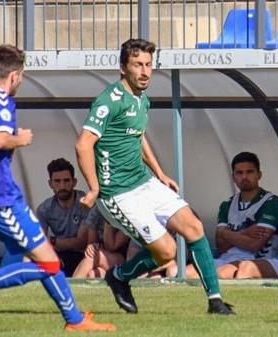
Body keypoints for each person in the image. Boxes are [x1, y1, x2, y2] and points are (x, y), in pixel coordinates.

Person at [0, 44, 114, 331]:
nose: (19, 83)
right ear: (14, 76)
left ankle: (74, 319)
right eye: (21, 78)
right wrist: (20, 139)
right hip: (0, 197)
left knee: (46, 258)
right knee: (49, 264)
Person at [75, 38, 234, 315]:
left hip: (144, 183)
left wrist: (159, 173)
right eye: (138, 64)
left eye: (149, 65)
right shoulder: (108, 101)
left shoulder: (142, 100)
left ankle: (215, 301)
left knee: (193, 226)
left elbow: (137, 136)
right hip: (118, 194)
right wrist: (93, 188)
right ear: (123, 68)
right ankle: (120, 276)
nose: (145, 71)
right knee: (167, 252)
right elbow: (83, 144)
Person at [185, 152, 278, 279]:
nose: (244, 177)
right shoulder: (227, 204)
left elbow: (254, 244)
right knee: (184, 272)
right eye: (239, 173)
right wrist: (246, 232)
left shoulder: (271, 202)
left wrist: (225, 233)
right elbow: (220, 246)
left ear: (259, 174)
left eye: (249, 172)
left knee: (221, 273)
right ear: (233, 176)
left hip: (257, 260)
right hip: (226, 258)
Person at [36, 158, 90, 276]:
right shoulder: (44, 209)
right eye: (57, 181)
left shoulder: (86, 203)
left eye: (66, 181)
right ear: (50, 184)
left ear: (74, 182)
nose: (62, 186)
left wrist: (52, 240)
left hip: (84, 255)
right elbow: (40, 242)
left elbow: (81, 242)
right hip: (59, 255)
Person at [72, 207, 129, 278]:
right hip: (104, 258)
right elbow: (92, 242)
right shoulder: (97, 210)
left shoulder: (127, 213)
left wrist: (108, 217)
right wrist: (92, 246)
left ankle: (69, 288)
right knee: (92, 274)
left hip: (124, 260)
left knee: (94, 256)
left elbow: (111, 246)